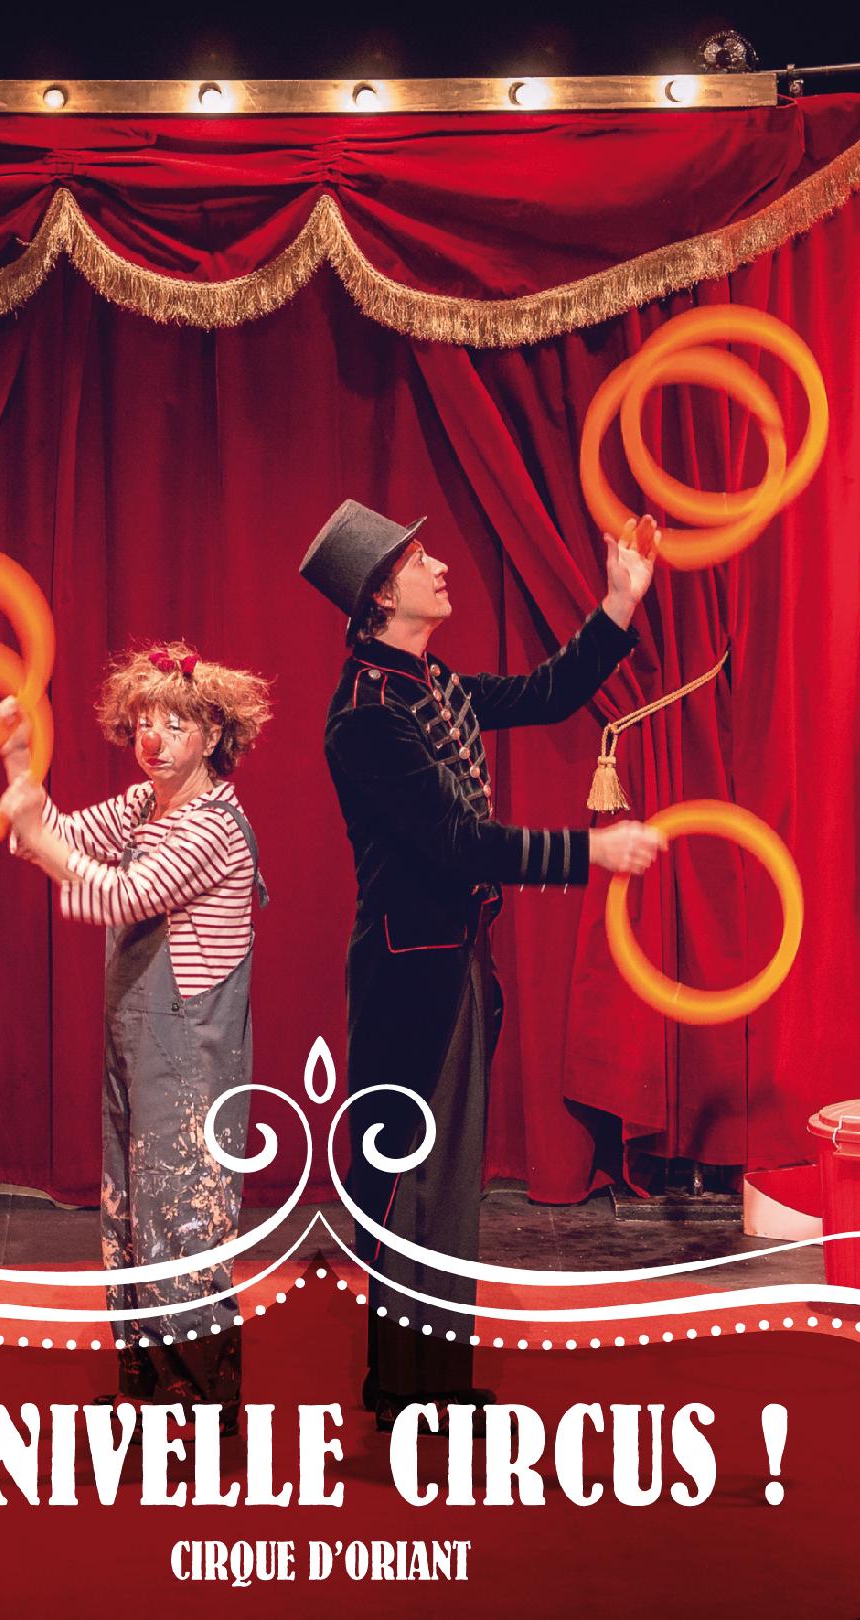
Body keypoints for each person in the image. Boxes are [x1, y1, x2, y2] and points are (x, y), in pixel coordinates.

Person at [300, 499, 664, 1433]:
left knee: (451, 1178)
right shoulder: (365, 715)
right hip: (405, 976)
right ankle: (398, 1384)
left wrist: (619, 603)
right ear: (383, 596)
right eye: (419, 560)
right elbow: (458, 843)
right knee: (404, 1180)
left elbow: (546, 693)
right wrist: (588, 853)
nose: (441, 568)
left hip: (457, 959)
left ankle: (439, 1381)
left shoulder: (432, 682)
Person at [0, 641, 272, 1437]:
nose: (155, 739)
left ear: (212, 736)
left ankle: (202, 1404)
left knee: (183, 1217)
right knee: (130, 1216)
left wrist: (38, 836)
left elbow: (122, 894)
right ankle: (146, 1385)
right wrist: (17, 766)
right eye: (145, 722)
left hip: (191, 1057)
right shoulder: (146, 804)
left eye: (175, 724)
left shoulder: (214, 825)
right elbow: (64, 834)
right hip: (135, 1050)